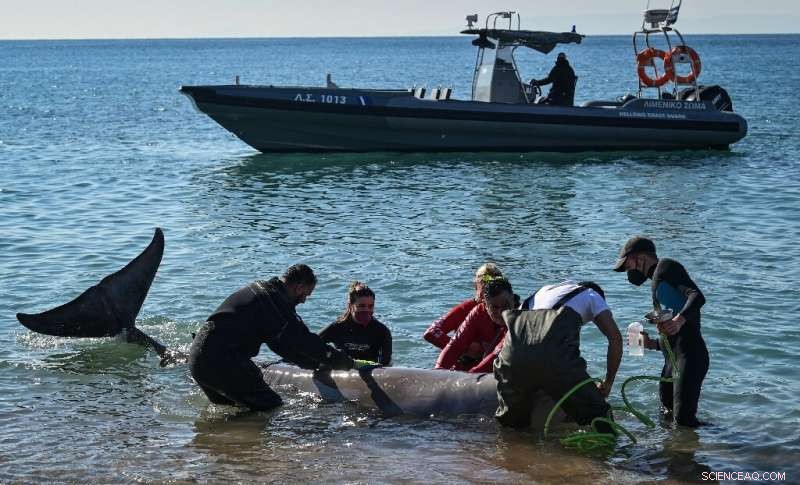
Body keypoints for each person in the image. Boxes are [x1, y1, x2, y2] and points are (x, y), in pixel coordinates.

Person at [189, 264, 371, 412]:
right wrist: (345, 362)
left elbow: (282, 347)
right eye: (306, 294)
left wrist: (314, 365)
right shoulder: (276, 307)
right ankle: (243, 448)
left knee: (235, 409)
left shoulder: (259, 290)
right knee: (271, 406)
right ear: (298, 287)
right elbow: (305, 342)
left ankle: (221, 446)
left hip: (197, 357)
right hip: (222, 360)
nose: (304, 300)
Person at [493, 280, 620, 432]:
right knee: (600, 415)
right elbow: (615, 339)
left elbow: (519, 341)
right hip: (550, 355)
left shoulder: (543, 292)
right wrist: (608, 381)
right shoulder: (593, 295)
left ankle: (508, 452)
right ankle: (614, 452)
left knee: (512, 423)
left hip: (511, 356)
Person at [613, 236, 709, 427]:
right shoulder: (656, 283)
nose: (627, 270)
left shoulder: (666, 266)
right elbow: (674, 334)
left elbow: (697, 297)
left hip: (690, 357)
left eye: (627, 264)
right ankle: (670, 454)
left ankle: (729, 447)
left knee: (683, 422)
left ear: (641, 258)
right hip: (671, 361)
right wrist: (651, 344)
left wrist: (678, 320)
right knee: (666, 415)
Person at [424, 263, 503, 370]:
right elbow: (431, 332)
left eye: (494, 283)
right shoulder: (466, 309)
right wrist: (466, 349)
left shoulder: (506, 310)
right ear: (475, 285)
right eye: (484, 282)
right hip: (463, 370)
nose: (488, 287)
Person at [434, 276, 513, 373]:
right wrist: (438, 373)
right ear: (485, 305)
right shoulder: (478, 312)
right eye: (494, 307)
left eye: (506, 305)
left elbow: (496, 356)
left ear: (512, 298)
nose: (501, 312)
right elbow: (455, 345)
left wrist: (467, 379)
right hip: (478, 367)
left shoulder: (520, 319)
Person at [319, 281, 392, 366]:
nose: (367, 310)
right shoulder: (337, 327)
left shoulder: (382, 331)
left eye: (370, 306)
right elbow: (312, 344)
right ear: (350, 306)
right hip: (343, 372)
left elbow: (386, 363)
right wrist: (329, 357)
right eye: (361, 306)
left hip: (370, 372)